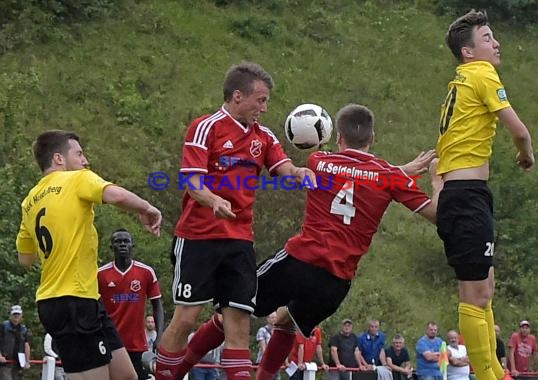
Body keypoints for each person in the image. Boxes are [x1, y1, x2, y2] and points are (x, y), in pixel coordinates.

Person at [181, 103, 441, 380]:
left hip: (299, 261)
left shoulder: (319, 162)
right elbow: (436, 214)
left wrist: (399, 171)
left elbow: (352, 175)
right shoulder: (389, 177)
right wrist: (435, 181)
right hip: (336, 281)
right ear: (373, 137)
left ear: (338, 136)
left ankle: (175, 371)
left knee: (229, 313)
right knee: (285, 324)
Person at [154, 61, 315, 380]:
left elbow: (284, 169)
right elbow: (192, 182)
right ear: (238, 96)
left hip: (240, 241)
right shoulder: (205, 127)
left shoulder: (264, 137)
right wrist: (213, 200)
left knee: (239, 322)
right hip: (198, 237)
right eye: (261, 100)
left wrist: (300, 173)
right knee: (186, 318)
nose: (265, 108)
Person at [435, 9, 535, 380]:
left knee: (485, 288)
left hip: (464, 193)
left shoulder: (459, 82)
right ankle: (487, 375)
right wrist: (526, 156)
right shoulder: (482, 74)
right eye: (487, 38)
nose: (497, 43)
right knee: (474, 295)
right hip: (465, 195)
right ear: (468, 52)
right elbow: (519, 132)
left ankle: (494, 370)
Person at [15, 130, 162, 380]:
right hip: (74, 300)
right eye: (79, 154)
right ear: (59, 159)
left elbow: (25, 258)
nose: (85, 161)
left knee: (127, 375)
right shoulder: (76, 180)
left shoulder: (29, 201)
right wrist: (147, 208)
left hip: (67, 300)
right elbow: (114, 195)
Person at [98, 228, 165, 379]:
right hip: (111, 342)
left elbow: (157, 305)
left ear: (132, 245)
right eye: (118, 241)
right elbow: (92, 307)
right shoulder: (100, 274)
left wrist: (160, 337)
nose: (122, 244)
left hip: (137, 344)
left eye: (126, 241)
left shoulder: (146, 272)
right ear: (111, 247)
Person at [0, 305, 31, 380]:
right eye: (14, 314)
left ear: (21, 315)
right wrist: (0, 356)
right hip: (5, 362)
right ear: (10, 315)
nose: (16, 316)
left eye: (18, 314)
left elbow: (26, 345)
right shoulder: (3, 326)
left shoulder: (24, 329)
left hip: (18, 363)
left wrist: (27, 361)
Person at [256, 313, 281, 380]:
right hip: (264, 363)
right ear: (268, 319)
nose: (274, 319)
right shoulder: (262, 330)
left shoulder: (279, 332)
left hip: (276, 364)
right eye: (272, 317)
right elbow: (264, 349)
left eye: (276, 317)